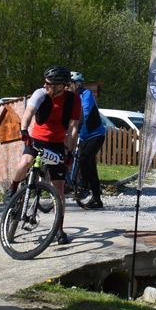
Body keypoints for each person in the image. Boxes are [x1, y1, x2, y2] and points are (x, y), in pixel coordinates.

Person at [8, 65, 81, 245]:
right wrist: (24, 130)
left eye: (49, 83)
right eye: (45, 82)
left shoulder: (73, 100)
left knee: (59, 189)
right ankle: (13, 188)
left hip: (57, 145)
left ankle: (59, 229)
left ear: (61, 86)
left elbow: (72, 128)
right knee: (25, 162)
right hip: (37, 140)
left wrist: (69, 152)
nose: (45, 85)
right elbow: (29, 112)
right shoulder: (40, 93)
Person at [70, 71, 105, 209]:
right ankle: (97, 199)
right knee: (90, 166)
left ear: (77, 84)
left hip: (96, 134)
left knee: (84, 159)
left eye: (70, 84)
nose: (67, 86)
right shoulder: (72, 97)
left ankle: (84, 188)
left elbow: (85, 112)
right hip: (84, 136)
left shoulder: (86, 94)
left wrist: (76, 126)